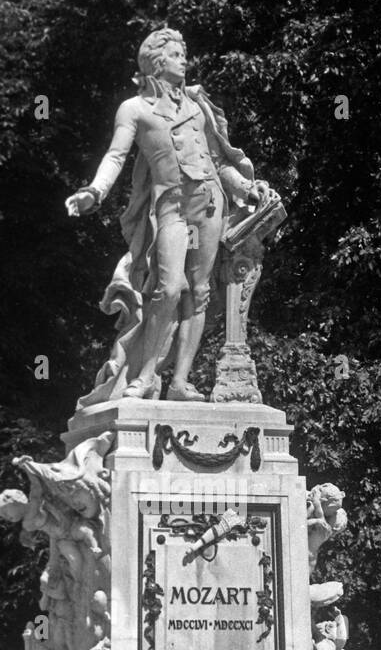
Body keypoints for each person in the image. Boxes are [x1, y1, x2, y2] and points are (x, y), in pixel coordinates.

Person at [67, 27, 276, 403]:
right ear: (157, 61)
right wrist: (94, 191)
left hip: (210, 203)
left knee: (199, 292)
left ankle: (179, 382)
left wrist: (247, 188)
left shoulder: (198, 107)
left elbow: (216, 162)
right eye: (178, 54)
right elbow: (115, 156)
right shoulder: (135, 109)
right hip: (172, 207)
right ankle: (146, 376)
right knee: (169, 288)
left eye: (184, 53)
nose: (185, 60)